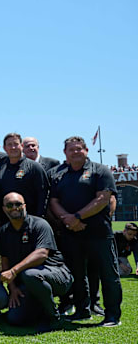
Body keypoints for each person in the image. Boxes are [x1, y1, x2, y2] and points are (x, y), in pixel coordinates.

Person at [49, 136, 122, 327]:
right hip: (71, 233)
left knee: (108, 274)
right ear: (65, 152)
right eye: (71, 149)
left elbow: (103, 198)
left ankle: (113, 315)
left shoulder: (100, 170)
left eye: (79, 149)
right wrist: (68, 219)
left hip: (98, 233)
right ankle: (82, 311)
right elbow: (54, 201)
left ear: (86, 150)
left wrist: (78, 217)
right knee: (77, 275)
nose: (75, 152)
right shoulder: (59, 174)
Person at [0, 192, 73, 332]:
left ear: (24, 206)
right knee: (14, 319)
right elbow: (5, 262)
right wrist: (13, 288)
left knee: (30, 274)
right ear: (4, 209)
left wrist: (14, 271)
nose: (14, 207)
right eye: (9, 205)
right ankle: (40, 309)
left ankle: (53, 317)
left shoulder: (40, 224)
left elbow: (42, 254)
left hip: (58, 275)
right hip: (30, 282)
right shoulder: (4, 231)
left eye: (18, 204)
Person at [0, 133, 49, 222]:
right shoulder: (0, 169)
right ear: (4, 148)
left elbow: (43, 195)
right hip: (6, 222)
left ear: (22, 146)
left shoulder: (35, 167)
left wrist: (39, 219)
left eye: (16, 144)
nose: (13, 147)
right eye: (10, 145)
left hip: (31, 220)